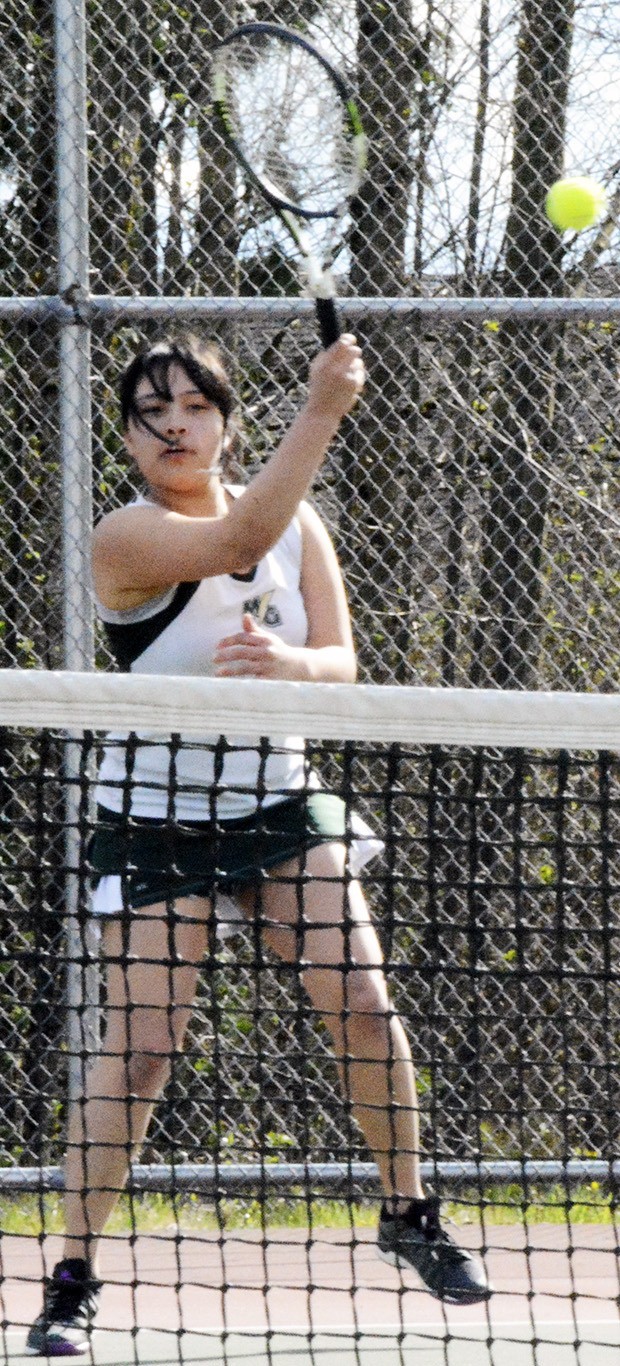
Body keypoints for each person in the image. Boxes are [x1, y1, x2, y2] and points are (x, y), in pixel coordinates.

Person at [26, 333, 489, 1355]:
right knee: (141, 1051)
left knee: (364, 1005)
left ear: (227, 418)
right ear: (129, 437)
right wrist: (321, 410)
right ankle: (71, 1276)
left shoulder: (298, 523)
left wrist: (291, 663)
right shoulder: (126, 536)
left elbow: (341, 665)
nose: (175, 423)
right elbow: (239, 537)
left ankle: (407, 1212)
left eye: (195, 403)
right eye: (152, 411)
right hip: (152, 814)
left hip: (275, 802)